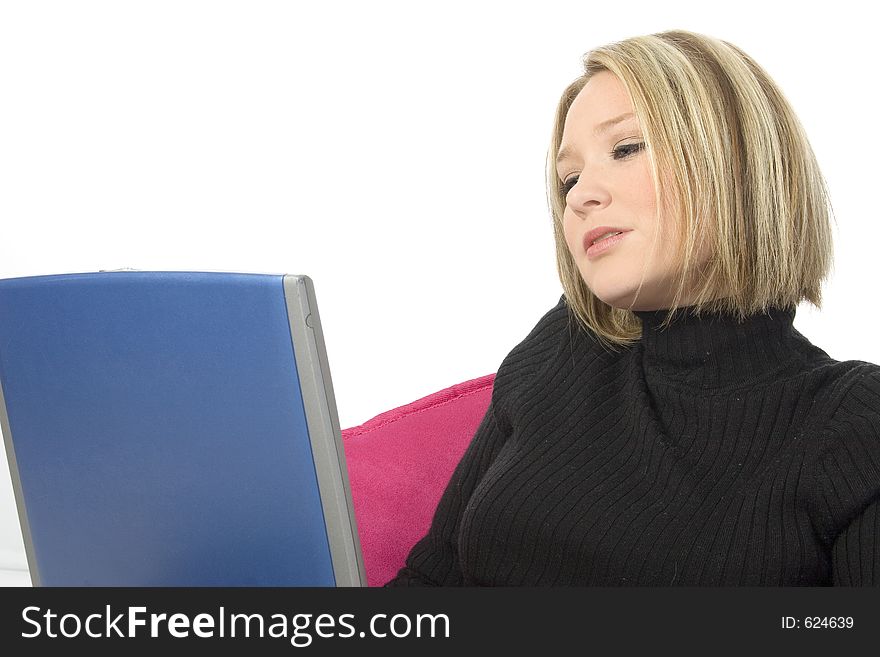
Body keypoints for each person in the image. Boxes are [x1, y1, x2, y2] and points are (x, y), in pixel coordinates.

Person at [384, 29, 880, 586]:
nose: (578, 195)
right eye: (568, 178)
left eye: (624, 148)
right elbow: (430, 585)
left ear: (736, 160)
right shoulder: (562, 349)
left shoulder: (857, 418)